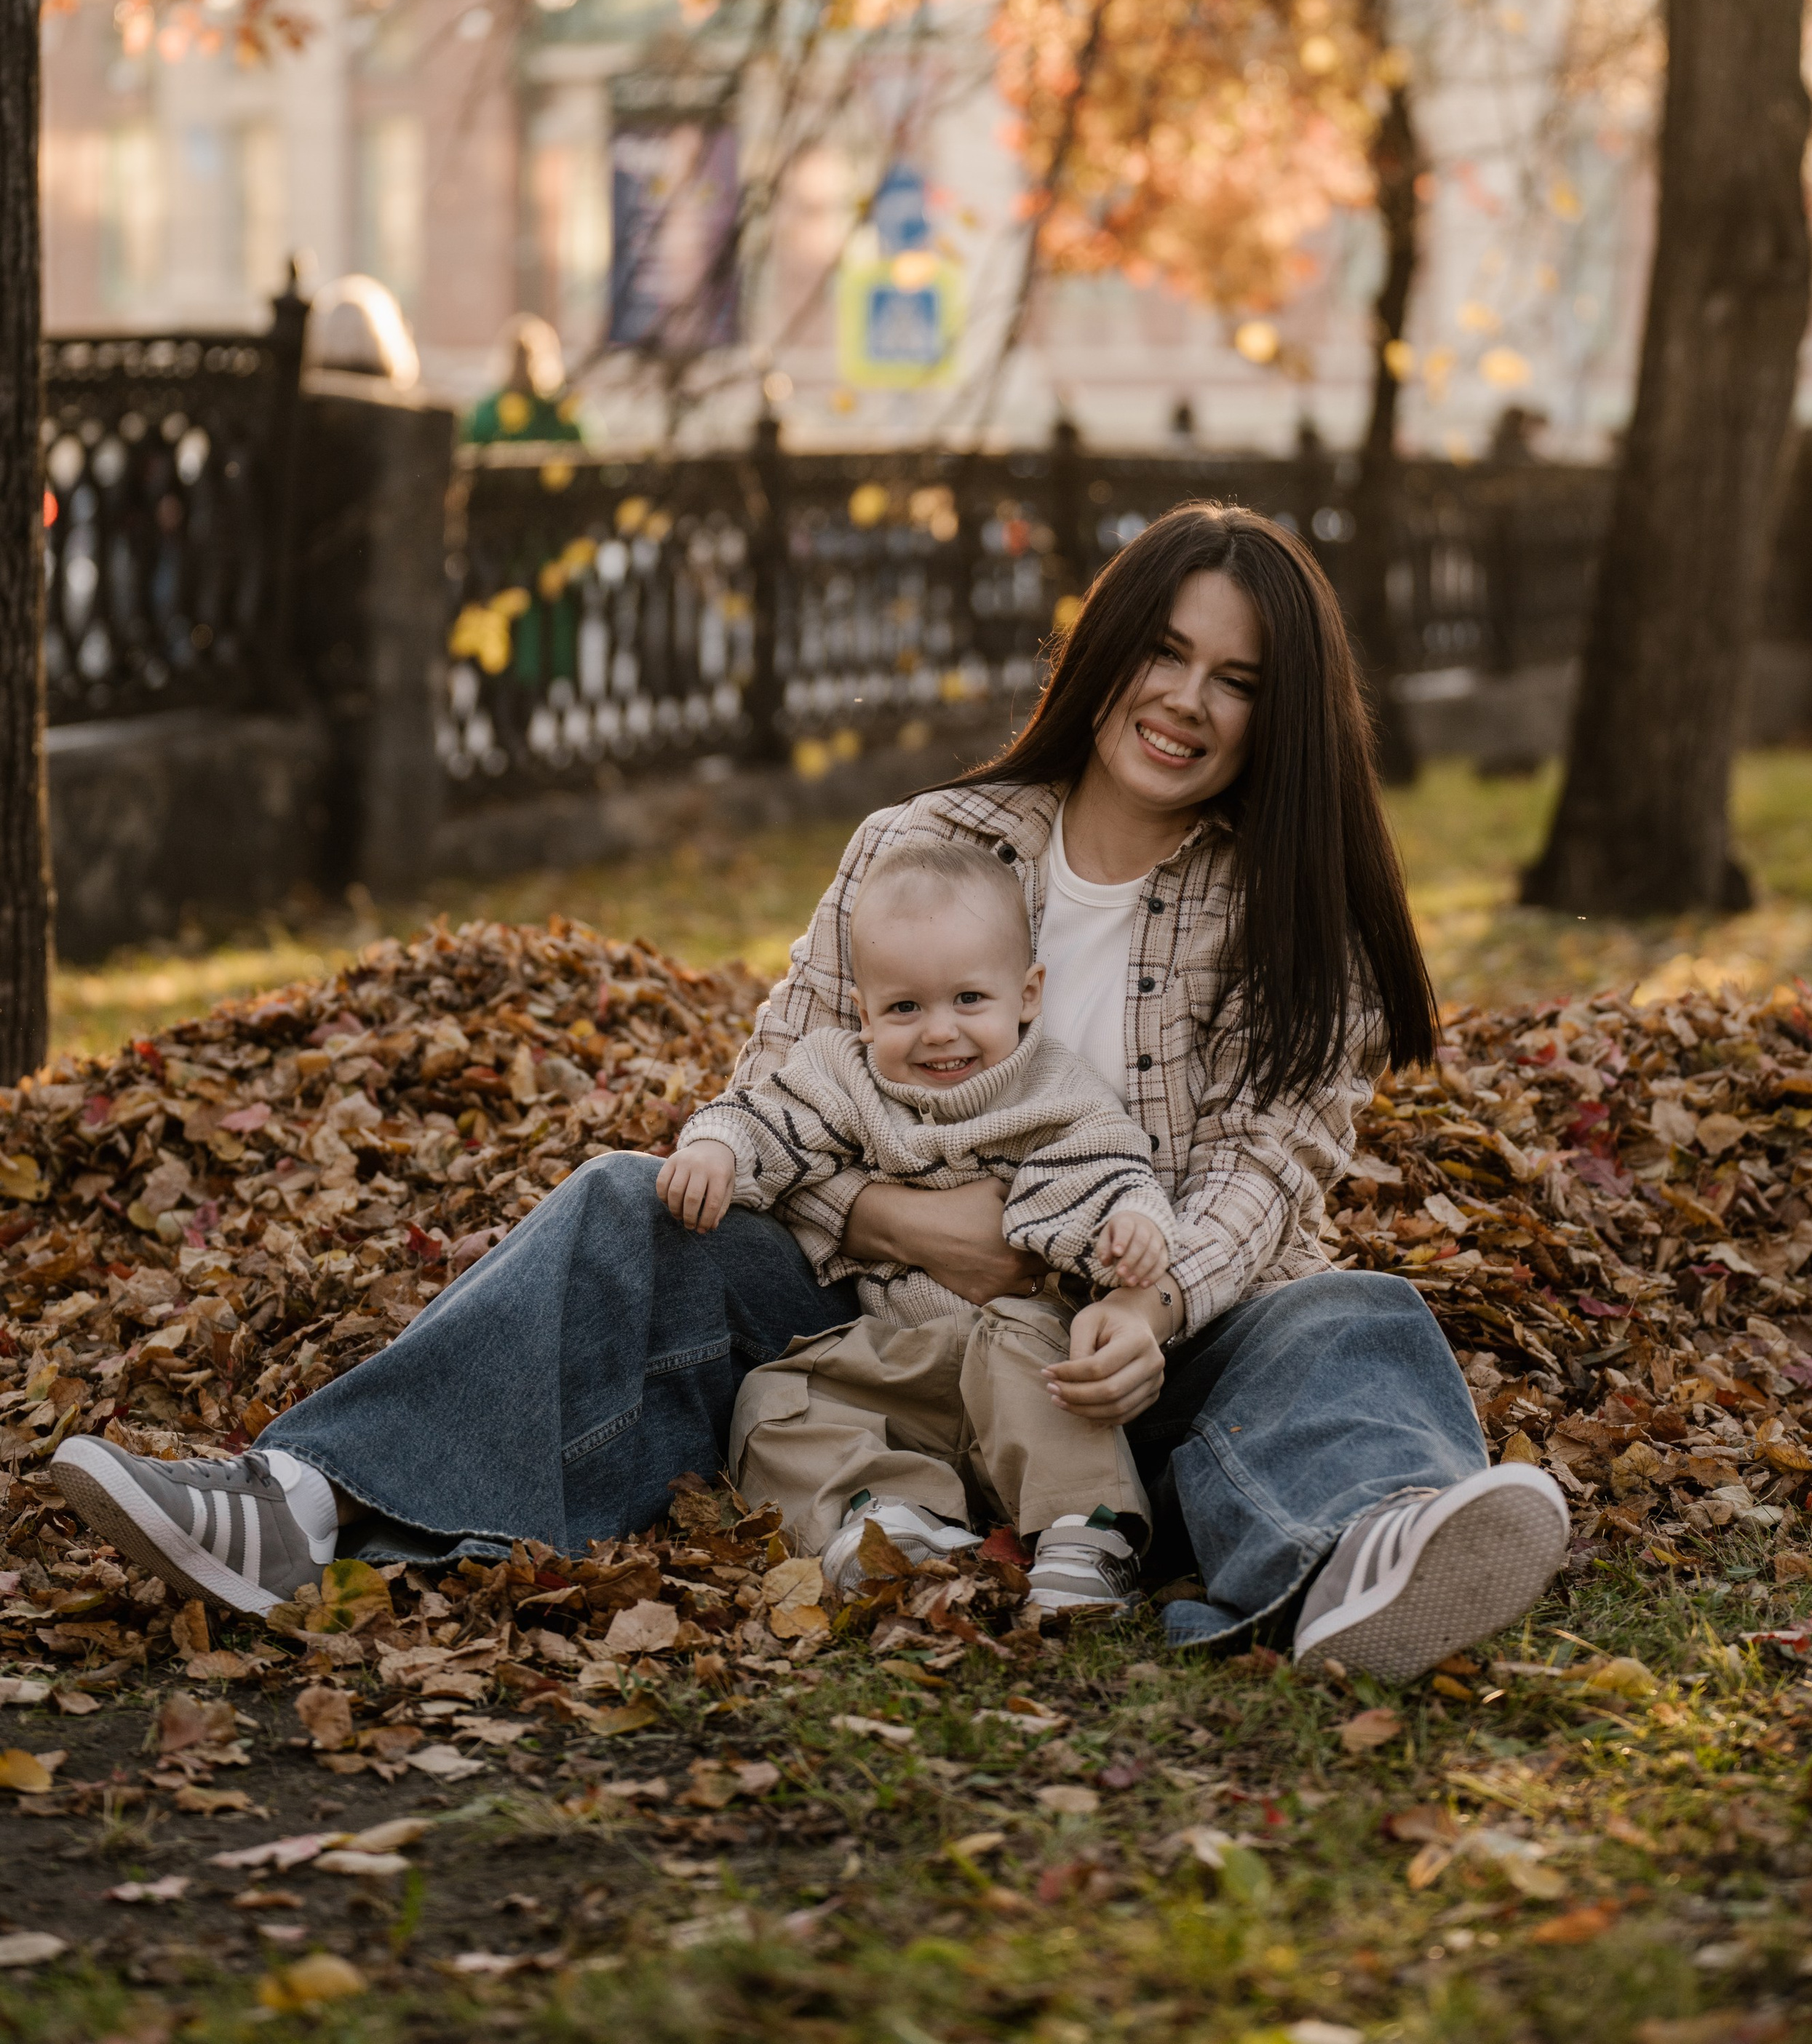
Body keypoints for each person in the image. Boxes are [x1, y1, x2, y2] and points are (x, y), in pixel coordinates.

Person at [52, 501, 1569, 1682]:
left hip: (1125, 1381)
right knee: (628, 1199)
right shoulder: (927, 841)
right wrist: (916, 1228)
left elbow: (1268, 1174)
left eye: (1233, 680)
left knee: (1349, 1308)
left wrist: (1146, 1302)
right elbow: (779, 1079)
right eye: (1162, 652)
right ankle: (301, 1501)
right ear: (1103, 651)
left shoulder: (1303, 918)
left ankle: (1353, 1558)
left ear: (1280, 712)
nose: (1183, 700)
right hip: (871, 1342)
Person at [663, 835, 1176, 1613]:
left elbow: (1110, 1170)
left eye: (969, 999)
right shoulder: (844, 1076)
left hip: (1022, 1361)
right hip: (904, 1361)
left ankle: (1085, 1531)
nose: (939, 1031)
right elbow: (769, 1117)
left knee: (1043, 1359)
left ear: (1027, 994)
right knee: (775, 1398)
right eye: (905, 1007)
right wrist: (715, 1146)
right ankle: (891, 1518)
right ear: (864, 1014)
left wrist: (1132, 1223)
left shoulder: (1058, 1092)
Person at [458, 314, 584, 445]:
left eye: (532, 357)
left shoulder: (561, 413)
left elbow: (593, 454)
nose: (526, 367)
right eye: (519, 357)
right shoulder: (488, 414)